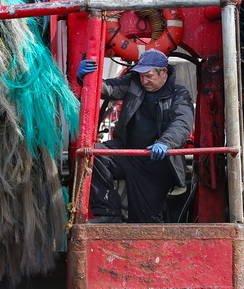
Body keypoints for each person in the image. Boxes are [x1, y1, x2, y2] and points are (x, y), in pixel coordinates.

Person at [77, 49, 194, 223]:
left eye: (149, 76)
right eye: (141, 76)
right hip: (128, 152)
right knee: (94, 155)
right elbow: (106, 88)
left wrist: (165, 143)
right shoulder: (134, 83)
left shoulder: (179, 94)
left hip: (155, 163)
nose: (144, 81)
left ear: (163, 72)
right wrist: (86, 78)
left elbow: (182, 123)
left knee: (145, 222)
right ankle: (109, 214)